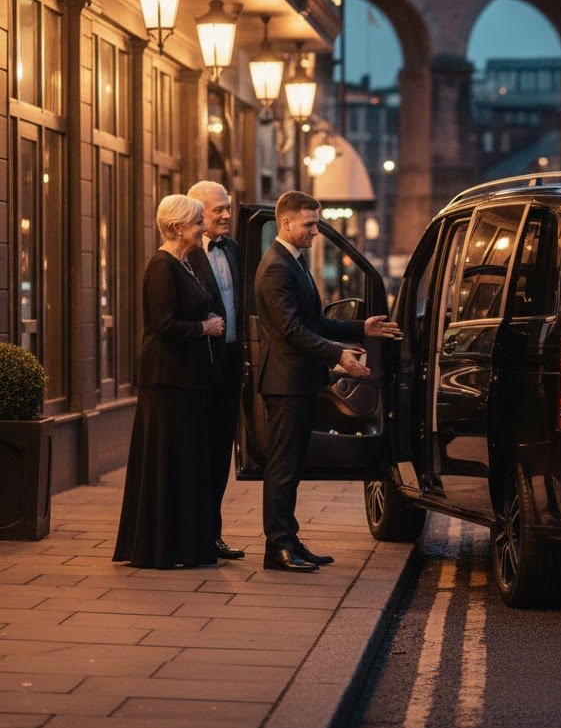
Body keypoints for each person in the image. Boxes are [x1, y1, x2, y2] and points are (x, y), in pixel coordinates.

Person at [255, 190, 402, 573]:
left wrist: (361, 326)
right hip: (285, 384)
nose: (315, 231)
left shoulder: (295, 263)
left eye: (316, 224)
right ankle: (278, 548)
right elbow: (291, 330)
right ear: (285, 223)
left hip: (299, 381)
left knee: (293, 465)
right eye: (309, 224)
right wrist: (338, 355)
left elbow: (314, 323)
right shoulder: (276, 268)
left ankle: (289, 539)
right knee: (283, 468)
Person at [113, 195, 226, 568]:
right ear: (178, 228)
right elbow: (164, 325)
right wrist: (204, 328)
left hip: (186, 379)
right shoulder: (162, 266)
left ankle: (182, 545)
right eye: (197, 223)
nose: (202, 228)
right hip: (167, 380)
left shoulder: (185, 263)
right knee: (168, 463)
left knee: (185, 463)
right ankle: (162, 547)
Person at [188, 180, 245, 562]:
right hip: (197, 366)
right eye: (217, 210)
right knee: (197, 452)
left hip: (231, 364)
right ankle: (194, 535)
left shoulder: (234, 249)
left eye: (227, 208)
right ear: (197, 214)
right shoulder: (184, 254)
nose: (226, 215)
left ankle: (213, 533)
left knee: (222, 450)